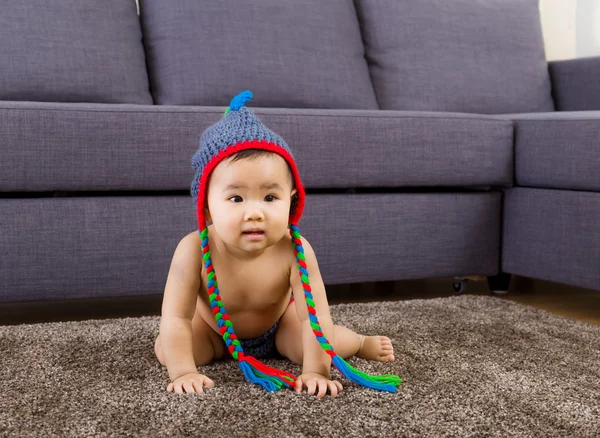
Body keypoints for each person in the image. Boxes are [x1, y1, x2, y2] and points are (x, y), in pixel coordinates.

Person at [154, 91, 401, 398]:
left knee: (328, 341)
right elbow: (176, 316)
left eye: (270, 197)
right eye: (236, 198)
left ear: (291, 200)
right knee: (168, 348)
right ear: (205, 207)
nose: (255, 212)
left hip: (280, 327)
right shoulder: (192, 250)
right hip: (215, 331)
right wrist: (184, 371)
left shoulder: (294, 250)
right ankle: (192, 356)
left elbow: (315, 317)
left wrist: (316, 371)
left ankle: (360, 341)